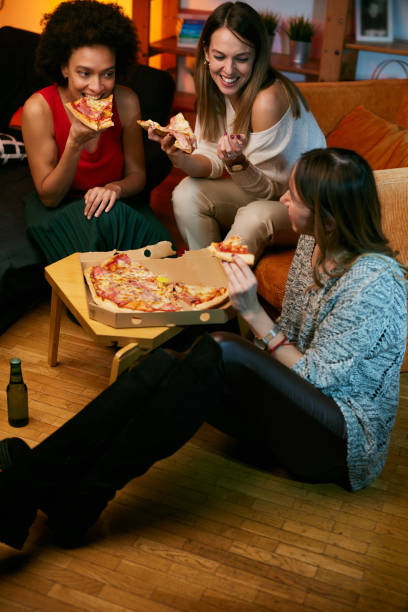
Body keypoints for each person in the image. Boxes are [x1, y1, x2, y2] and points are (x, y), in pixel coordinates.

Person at [0, 148, 406, 551]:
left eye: (294, 196)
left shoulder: (373, 284)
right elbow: (289, 336)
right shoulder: (313, 245)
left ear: (330, 220)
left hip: (338, 441)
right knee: (164, 362)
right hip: (291, 406)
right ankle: (37, 480)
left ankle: (79, 492)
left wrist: (252, 316)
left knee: (223, 351)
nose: (282, 199)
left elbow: (320, 382)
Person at [148, 1, 325, 260]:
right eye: (219, 57)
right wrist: (181, 158)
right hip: (265, 191)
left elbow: (269, 193)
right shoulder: (213, 87)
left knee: (253, 216)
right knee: (186, 193)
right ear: (206, 52)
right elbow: (210, 160)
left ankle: (219, 289)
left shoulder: (267, 100)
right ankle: (206, 277)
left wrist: (236, 162)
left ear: (257, 56)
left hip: (306, 205)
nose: (228, 71)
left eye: (241, 59)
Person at [22, 0, 173, 265]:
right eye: (84, 73)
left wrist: (114, 188)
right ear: (64, 68)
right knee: (101, 249)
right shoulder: (38, 108)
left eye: (107, 74)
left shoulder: (126, 102)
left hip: (115, 203)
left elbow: (137, 176)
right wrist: (74, 143)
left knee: (166, 252)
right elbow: (49, 196)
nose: (97, 87)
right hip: (61, 209)